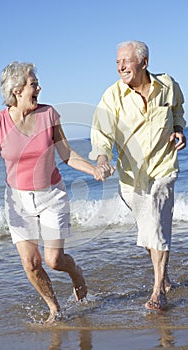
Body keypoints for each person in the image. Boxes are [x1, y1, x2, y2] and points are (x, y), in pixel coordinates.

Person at [0, 61, 109, 323]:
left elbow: (66, 154)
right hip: (17, 200)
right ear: (17, 91)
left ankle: (76, 272)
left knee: (54, 260)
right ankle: (55, 309)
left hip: (51, 196)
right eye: (34, 84)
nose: (39, 88)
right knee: (32, 265)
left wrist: (94, 170)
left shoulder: (49, 115)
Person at [89, 40, 186, 310]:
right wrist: (102, 158)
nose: (120, 66)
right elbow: (102, 133)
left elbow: (177, 108)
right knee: (148, 231)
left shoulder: (168, 85)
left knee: (156, 224)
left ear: (143, 62)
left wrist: (178, 127)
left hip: (163, 168)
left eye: (126, 61)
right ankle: (164, 277)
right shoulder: (112, 96)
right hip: (131, 177)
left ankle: (158, 292)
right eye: (117, 61)